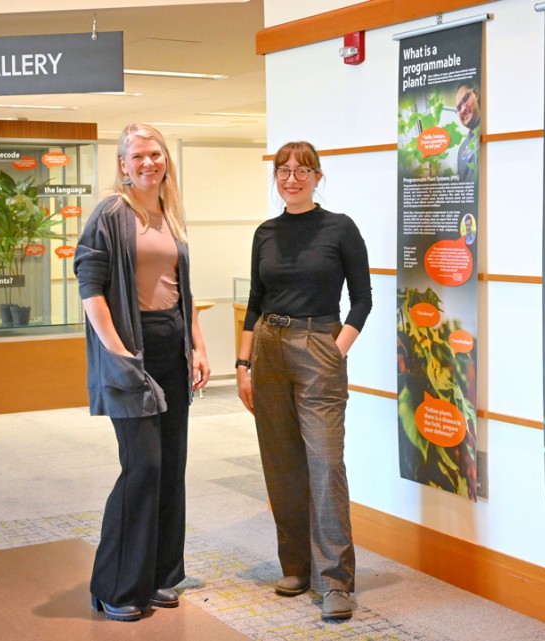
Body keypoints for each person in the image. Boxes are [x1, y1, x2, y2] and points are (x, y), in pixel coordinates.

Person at [75, 123, 210, 622]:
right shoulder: (112, 213)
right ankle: (116, 584)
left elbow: (181, 288)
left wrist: (196, 345)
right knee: (144, 466)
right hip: (131, 349)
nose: (148, 163)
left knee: (171, 465)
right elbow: (90, 286)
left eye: (155, 154)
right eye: (138, 156)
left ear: (165, 159)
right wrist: (117, 351)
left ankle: (159, 575)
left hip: (171, 347)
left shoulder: (169, 213)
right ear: (123, 164)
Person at [235, 141, 372, 621]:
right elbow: (255, 301)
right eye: (283, 170)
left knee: (325, 462)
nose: (291, 179)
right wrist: (243, 363)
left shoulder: (340, 228)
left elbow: (362, 299)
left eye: (301, 170)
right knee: (282, 462)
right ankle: (295, 566)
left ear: (317, 177)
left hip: (318, 345)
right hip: (268, 347)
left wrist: (336, 349)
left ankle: (335, 580)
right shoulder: (266, 233)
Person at [454, 82, 481, 182]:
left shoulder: (490, 128)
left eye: (465, 99)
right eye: (459, 108)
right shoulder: (462, 149)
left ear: (476, 94)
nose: (463, 109)